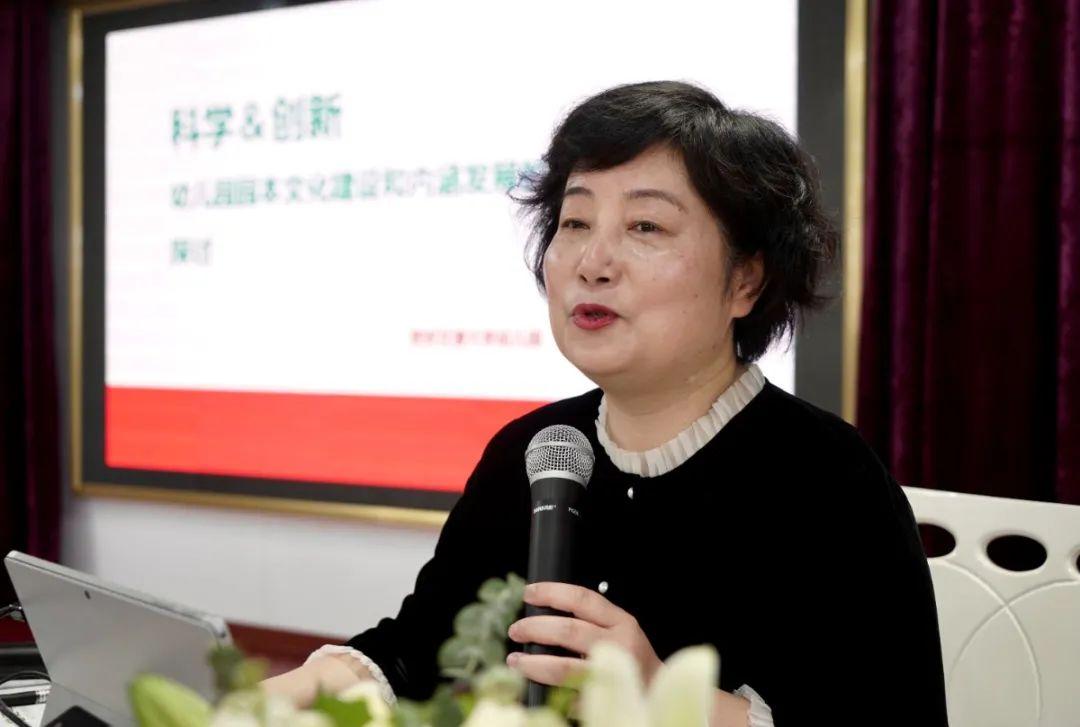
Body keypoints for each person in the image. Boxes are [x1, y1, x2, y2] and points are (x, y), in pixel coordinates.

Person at [262, 81, 949, 726]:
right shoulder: (536, 449)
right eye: (575, 221)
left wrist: (666, 697)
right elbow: (415, 652)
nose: (593, 262)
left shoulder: (828, 477)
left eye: (645, 226)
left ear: (745, 280)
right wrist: (247, 699)